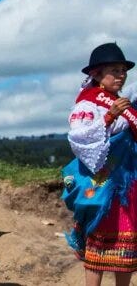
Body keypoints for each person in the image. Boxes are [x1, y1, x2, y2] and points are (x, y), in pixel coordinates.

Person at [63, 42, 137, 286]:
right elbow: (79, 138)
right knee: (98, 248)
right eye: (114, 70)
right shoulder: (88, 104)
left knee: (126, 248)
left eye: (123, 70)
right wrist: (109, 116)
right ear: (96, 75)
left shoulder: (124, 103)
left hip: (126, 185)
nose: (121, 75)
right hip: (102, 185)